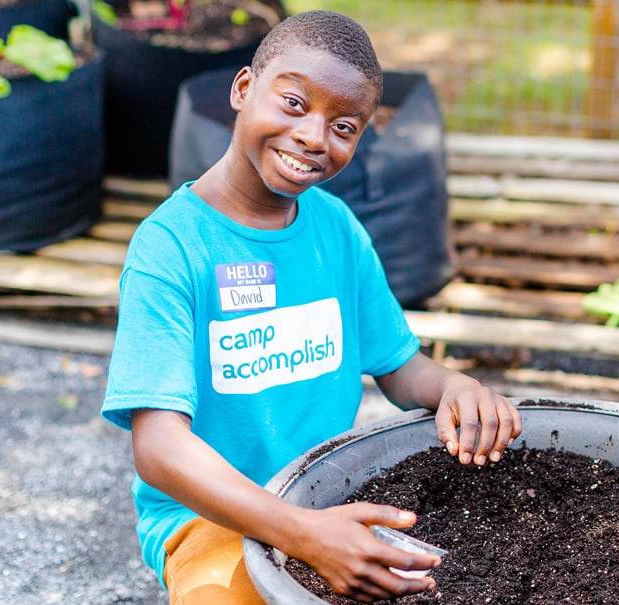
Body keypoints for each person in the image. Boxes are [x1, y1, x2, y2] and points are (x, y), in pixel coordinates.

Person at [101, 10, 523, 604]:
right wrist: (300, 533)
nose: (313, 137)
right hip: (212, 519)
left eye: (345, 126)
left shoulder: (337, 229)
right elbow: (160, 449)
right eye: (295, 104)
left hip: (327, 495)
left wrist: (455, 387)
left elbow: (400, 368)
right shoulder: (172, 246)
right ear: (244, 89)